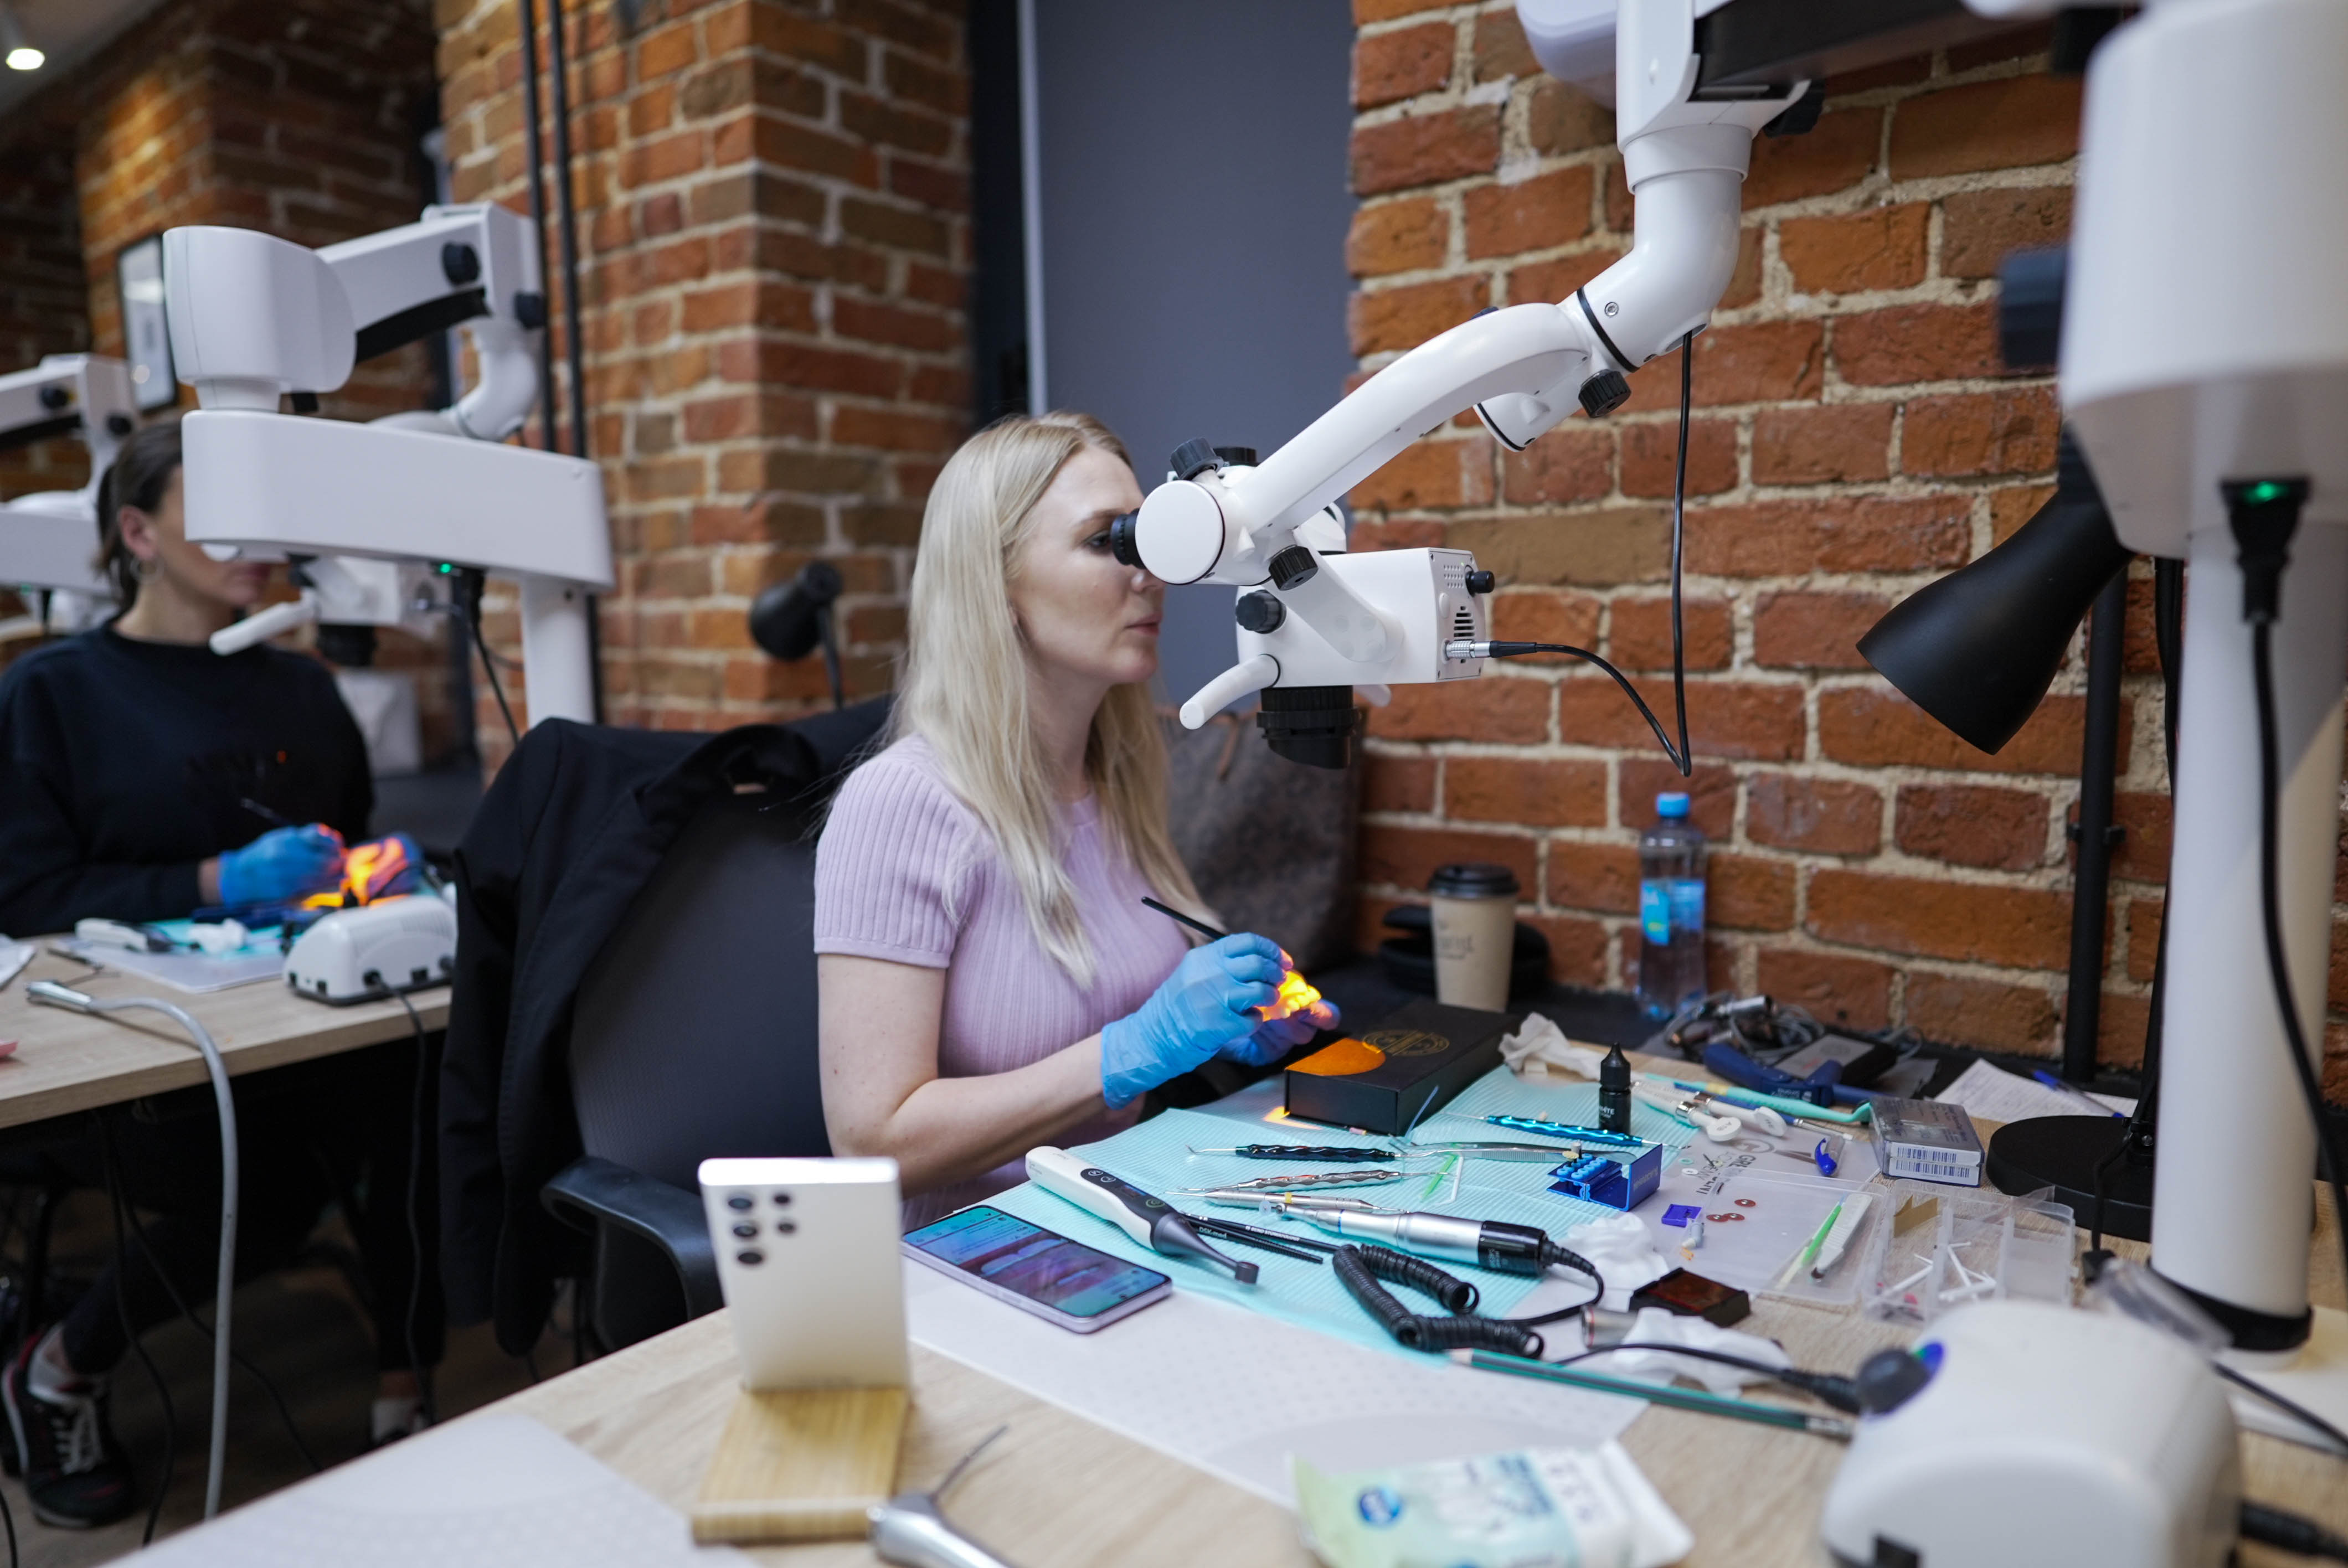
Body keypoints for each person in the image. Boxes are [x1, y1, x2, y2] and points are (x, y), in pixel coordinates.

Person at [0, 422, 442, 1528]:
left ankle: (407, 1394)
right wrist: (215, 878)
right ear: (138, 533)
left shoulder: (302, 689)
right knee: (268, 1186)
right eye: (220, 515)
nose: (259, 546)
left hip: (303, 1014)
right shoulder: (54, 694)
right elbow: (27, 892)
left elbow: (349, 842)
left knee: (425, 1098)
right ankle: (57, 1371)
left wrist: (371, 870)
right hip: (137, 1045)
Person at [815, 412, 1337, 1229]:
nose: (1152, 573)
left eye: (1148, 538)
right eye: (1107, 542)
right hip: (969, 1254)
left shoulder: (1116, 778)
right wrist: (1136, 1048)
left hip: (1118, 1216)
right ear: (996, 585)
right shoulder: (903, 804)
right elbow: (872, 1141)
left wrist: (1223, 1028)